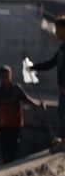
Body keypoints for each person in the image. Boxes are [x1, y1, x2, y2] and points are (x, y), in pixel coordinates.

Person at [0, 64, 43, 164]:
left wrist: (38, 105)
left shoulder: (17, 89)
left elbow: (26, 99)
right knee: (4, 146)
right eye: (3, 77)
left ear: (11, 76)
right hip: (4, 124)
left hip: (16, 124)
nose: (5, 79)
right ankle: (6, 163)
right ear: (0, 78)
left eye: (7, 76)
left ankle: (12, 163)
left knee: (14, 146)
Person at [30, 15, 65, 149]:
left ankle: (64, 144)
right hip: (62, 88)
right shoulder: (62, 48)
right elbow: (51, 62)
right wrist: (34, 67)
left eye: (57, 29)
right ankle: (63, 140)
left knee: (63, 114)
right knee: (61, 114)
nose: (55, 32)